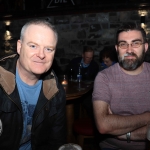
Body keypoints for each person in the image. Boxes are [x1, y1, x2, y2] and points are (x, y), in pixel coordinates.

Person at [0, 19, 66, 150]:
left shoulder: (56, 92)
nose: (41, 55)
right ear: (19, 46)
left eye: (48, 49)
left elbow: (56, 141)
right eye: (33, 46)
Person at [92, 22, 150, 150]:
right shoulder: (104, 77)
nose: (129, 50)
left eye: (136, 43)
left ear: (145, 47)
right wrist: (147, 117)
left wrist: (127, 134)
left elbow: (110, 125)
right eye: (123, 44)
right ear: (117, 49)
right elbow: (103, 125)